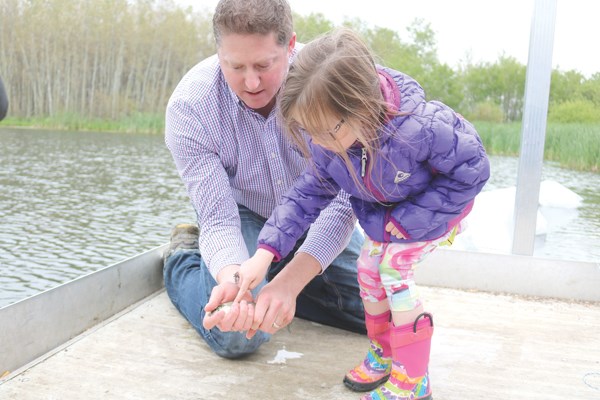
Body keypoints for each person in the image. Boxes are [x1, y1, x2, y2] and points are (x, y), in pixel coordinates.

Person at [234, 28, 490, 399]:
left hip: (437, 211)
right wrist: (266, 252)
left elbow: (474, 169)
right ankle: (383, 355)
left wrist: (409, 221)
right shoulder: (331, 141)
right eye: (310, 131)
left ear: (360, 104)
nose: (319, 142)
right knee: (368, 268)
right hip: (388, 219)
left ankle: (413, 378)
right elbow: (306, 196)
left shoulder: (421, 126)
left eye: (327, 130)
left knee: (392, 268)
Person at [163, 0, 365, 360]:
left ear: (290, 47)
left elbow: (346, 201)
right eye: (235, 66)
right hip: (245, 214)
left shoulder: (329, 84)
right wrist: (233, 283)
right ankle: (182, 259)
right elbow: (219, 218)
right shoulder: (189, 108)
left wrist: (291, 283)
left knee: (381, 313)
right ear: (218, 52)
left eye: (264, 65)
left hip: (320, 214)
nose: (251, 82)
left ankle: (279, 279)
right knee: (238, 335)